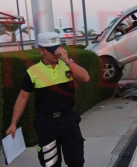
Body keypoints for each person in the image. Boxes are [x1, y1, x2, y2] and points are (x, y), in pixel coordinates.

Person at [6, 32, 90, 167]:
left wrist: (68, 61)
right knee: (50, 164)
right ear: (41, 51)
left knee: (76, 162)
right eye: (51, 51)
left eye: (57, 49)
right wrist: (13, 123)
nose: (55, 54)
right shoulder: (33, 72)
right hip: (46, 124)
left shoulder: (68, 65)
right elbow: (22, 98)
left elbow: (85, 78)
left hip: (69, 121)